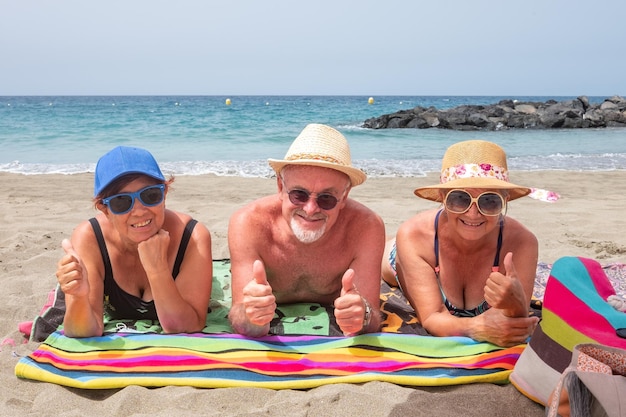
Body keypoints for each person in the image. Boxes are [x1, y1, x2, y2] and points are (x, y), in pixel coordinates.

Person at [382, 140, 556, 347]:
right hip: (397, 255)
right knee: (386, 250)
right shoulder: (414, 236)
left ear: (505, 201)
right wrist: (476, 327)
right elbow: (431, 317)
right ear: (442, 197)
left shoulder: (522, 242)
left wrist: (517, 304)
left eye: (489, 201)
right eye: (459, 199)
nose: (473, 214)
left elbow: (515, 321)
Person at [228, 123, 385, 337]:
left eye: (326, 199)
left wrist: (362, 316)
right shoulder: (249, 223)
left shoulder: (366, 227)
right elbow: (239, 314)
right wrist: (251, 316)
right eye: (299, 195)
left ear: (344, 197)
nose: (310, 209)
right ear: (281, 188)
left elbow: (371, 316)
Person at [55, 146, 213, 337]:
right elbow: (85, 330)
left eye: (150, 195)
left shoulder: (192, 237)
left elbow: (186, 326)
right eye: (121, 201)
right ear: (104, 209)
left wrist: (158, 270)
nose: (139, 211)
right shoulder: (91, 238)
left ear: (164, 194)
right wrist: (78, 297)